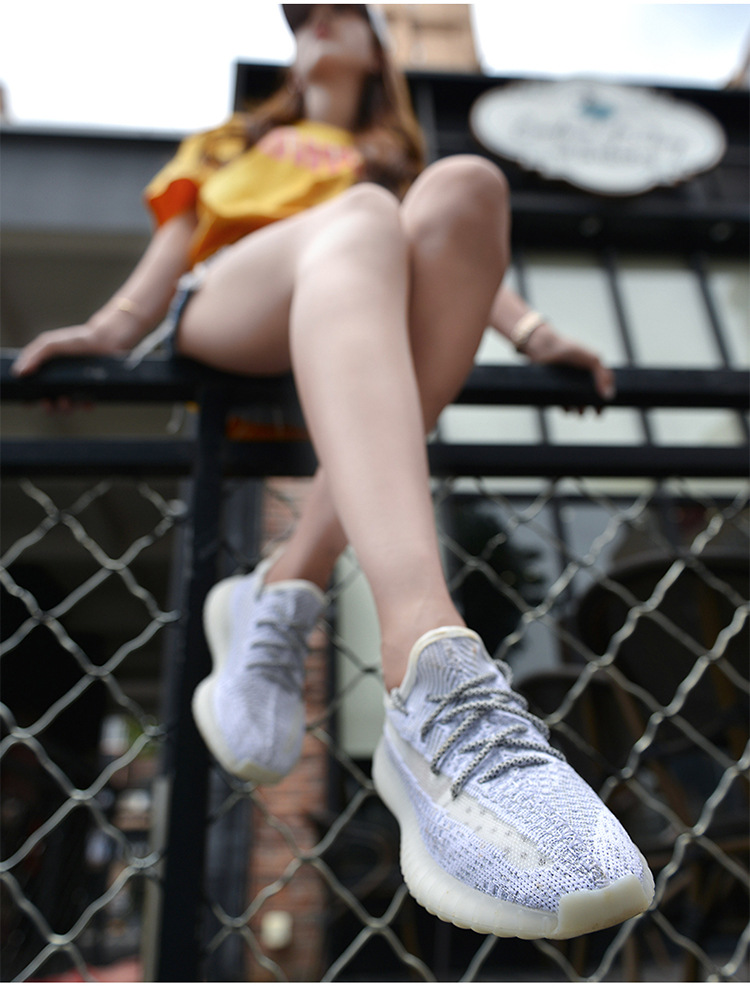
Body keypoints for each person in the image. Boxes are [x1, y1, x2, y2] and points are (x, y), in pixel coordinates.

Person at [12, 5, 652, 942]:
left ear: (375, 43)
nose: (313, 21)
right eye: (299, 16)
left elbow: (471, 267)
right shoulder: (240, 139)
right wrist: (108, 333)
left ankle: (288, 584)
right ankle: (430, 666)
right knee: (363, 214)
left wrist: (536, 332)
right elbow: (173, 246)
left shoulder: (391, 160)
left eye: (335, 10)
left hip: (358, 312)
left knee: (467, 184)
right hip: (235, 301)